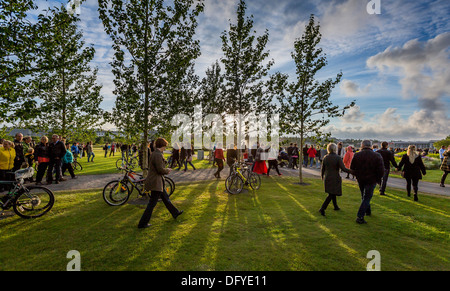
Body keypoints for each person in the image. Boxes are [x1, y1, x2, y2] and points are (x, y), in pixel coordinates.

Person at [138, 138, 183, 229]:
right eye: (165, 145)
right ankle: (142, 223)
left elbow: (159, 165)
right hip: (156, 182)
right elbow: (160, 169)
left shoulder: (157, 153)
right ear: (162, 145)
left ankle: (175, 213)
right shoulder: (157, 154)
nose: (165, 147)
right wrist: (167, 170)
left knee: (166, 198)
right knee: (152, 204)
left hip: (158, 181)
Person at [350, 140, 385, 224]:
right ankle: (360, 216)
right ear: (370, 146)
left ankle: (367, 211)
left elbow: (352, 167)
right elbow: (381, 170)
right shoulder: (377, 155)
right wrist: (378, 178)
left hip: (361, 179)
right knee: (367, 197)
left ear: (362, 145)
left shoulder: (357, 155)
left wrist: (357, 175)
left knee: (364, 196)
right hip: (371, 179)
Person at [319, 143, 353, 216]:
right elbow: (343, 169)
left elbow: (323, 168)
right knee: (331, 194)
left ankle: (335, 206)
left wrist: (322, 176)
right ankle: (322, 208)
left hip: (327, 177)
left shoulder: (325, 157)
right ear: (335, 149)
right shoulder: (337, 157)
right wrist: (352, 171)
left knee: (332, 192)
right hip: (335, 177)